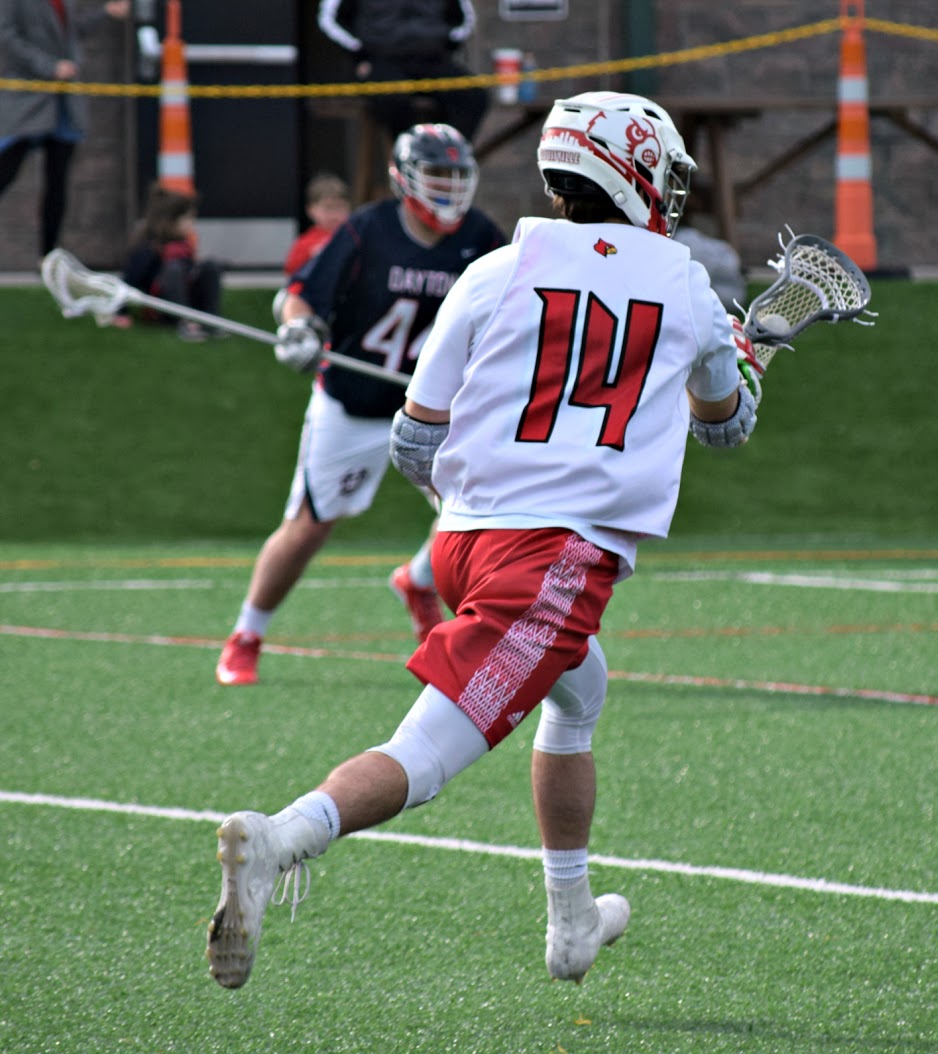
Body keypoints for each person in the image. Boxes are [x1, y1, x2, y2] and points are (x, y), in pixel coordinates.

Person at [204, 91, 762, 992]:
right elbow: (726, 429)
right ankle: (283, 837)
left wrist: (479, 505)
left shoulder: (495, 267)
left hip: (465, 541)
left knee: (581, 691)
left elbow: (413, 442)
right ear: (631, 174)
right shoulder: (686, 282)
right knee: (423, 759)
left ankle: (572, 921)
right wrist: (741, 366)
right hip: (556, 559)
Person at [215, 123, 506, 687]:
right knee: (309, 526)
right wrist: (299, 330)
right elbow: (298, 298)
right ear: (405, 178)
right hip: (355, 404)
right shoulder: (366, 230)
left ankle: (420, 583)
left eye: (454, 176)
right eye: (436, 175)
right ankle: (246, 633)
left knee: (475, 511)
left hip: (433, 409)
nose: (447, 189)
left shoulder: (480, 238)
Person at [0, 0, 128, 259]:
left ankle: (49, 257)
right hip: (28, 97)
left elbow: (69, 32)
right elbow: (7, 37)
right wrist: (49, 67)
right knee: (7, 170)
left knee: (58, 180)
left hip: (64, 102)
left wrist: (105, 14)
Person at [318, 0, 489, 143]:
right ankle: (412, 155)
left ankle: (447, 156)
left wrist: (444, 45)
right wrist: (360, 56)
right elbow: (329, 20)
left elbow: (464, 18)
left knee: (474, 96)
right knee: (393, 97)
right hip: (381, 59)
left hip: (431, 59)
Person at [119, 183, 223, 342]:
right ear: (170, 221)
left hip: (187, 299)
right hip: (162, 308)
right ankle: (185, 322)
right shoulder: (149, 249)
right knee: (174, 269)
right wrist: (120, 312)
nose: (192, 225)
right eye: (188, 219)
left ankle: (211, 320)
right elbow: (129, 281)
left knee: (210, 266)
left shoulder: (184, 244)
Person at [283, 172, 353, 277]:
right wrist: (312, 257)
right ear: (311, 210)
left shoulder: (354, 237)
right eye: (328, 208)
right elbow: (290, 271)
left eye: (340, 207)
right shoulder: (306, 243)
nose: (334, 214)